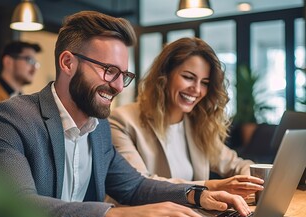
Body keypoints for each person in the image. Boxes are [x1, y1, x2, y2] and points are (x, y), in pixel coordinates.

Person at [0, 11, 251, 217]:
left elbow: (134, 186)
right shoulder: (9, 119)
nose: (118, 86)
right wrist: (114, 215)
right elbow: (19, 206)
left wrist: (196, 195)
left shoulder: (98, 128)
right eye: (109, 71)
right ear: (68, 63)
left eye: (123, 75)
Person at [109, 37, 263, 198]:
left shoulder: (196, 124)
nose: (196, 89)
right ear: (164, 75)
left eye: (204, 82)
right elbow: (139, 185)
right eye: (188, 77)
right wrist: (212, 186)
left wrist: (250, 181)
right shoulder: (122, 121)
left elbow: (238, 164)